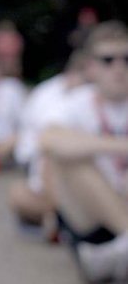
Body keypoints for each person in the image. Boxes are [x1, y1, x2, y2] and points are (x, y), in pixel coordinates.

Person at [39, 21, 128, 282]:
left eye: (127, 59)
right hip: (90, 220)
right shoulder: (76, 103)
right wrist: (119, 145)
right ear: (90, 67)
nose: (119, 67)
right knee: (68, 159)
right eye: (108, 60)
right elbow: (48, 140)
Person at [7, 50, 88, 231]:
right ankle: (57, 217)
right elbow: (34, 142)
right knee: (19, 192)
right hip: (54, 180)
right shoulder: (49, 95)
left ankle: (57, 219)